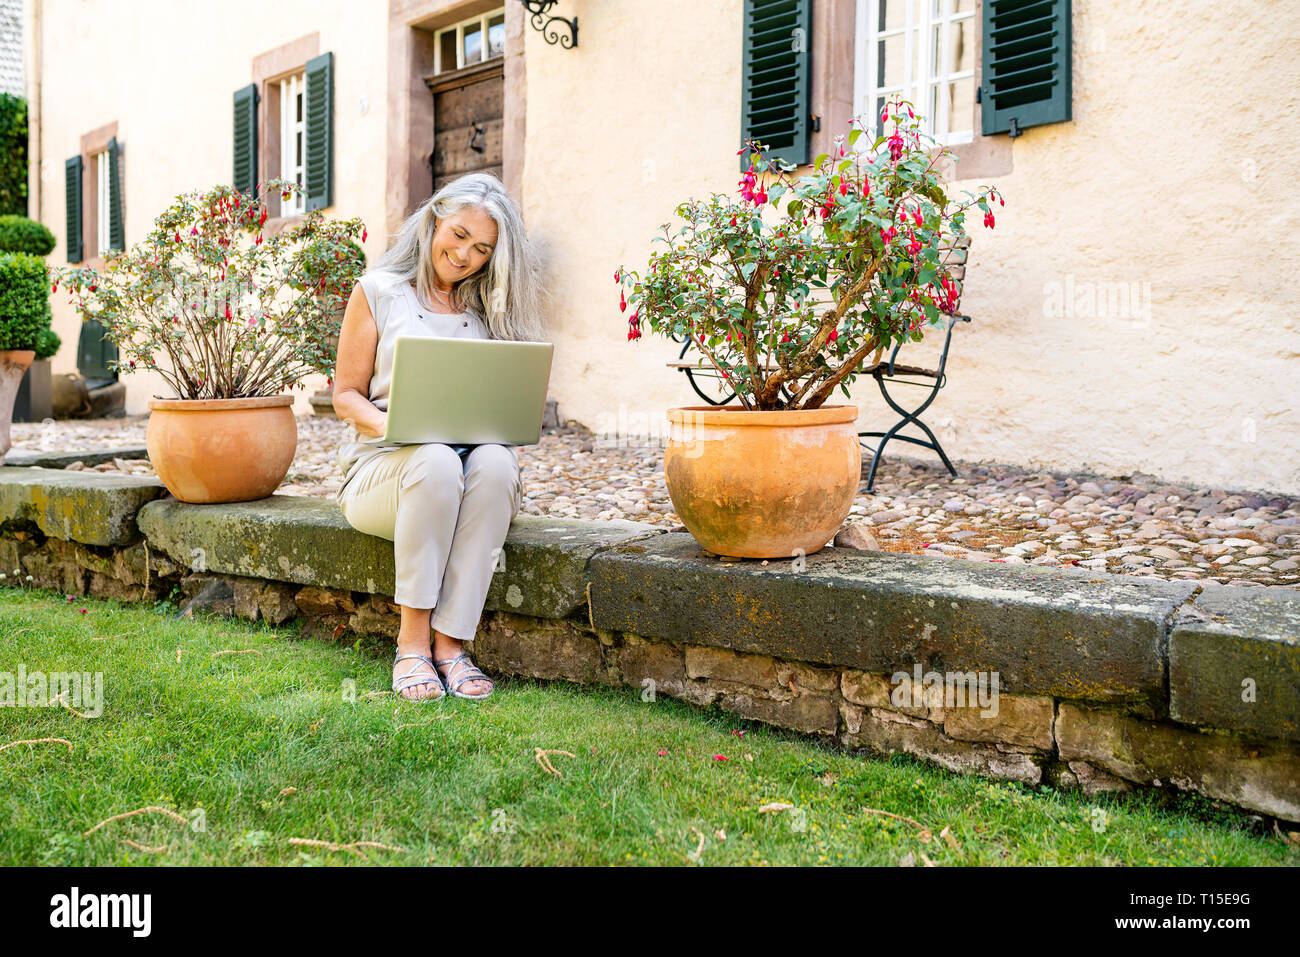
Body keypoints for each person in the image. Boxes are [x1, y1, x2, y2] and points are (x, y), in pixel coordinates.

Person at [333, 173, 547, 702]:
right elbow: (345, 396)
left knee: (496, 463)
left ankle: (451, 646)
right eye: (457, 235)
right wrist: (396, 425)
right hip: (382, 473)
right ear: (433, 220)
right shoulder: (377, 290)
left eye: (482, 249)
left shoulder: (485, 309)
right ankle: (411, 646)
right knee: (432, 457)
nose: (464, 255)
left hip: (464, 469)